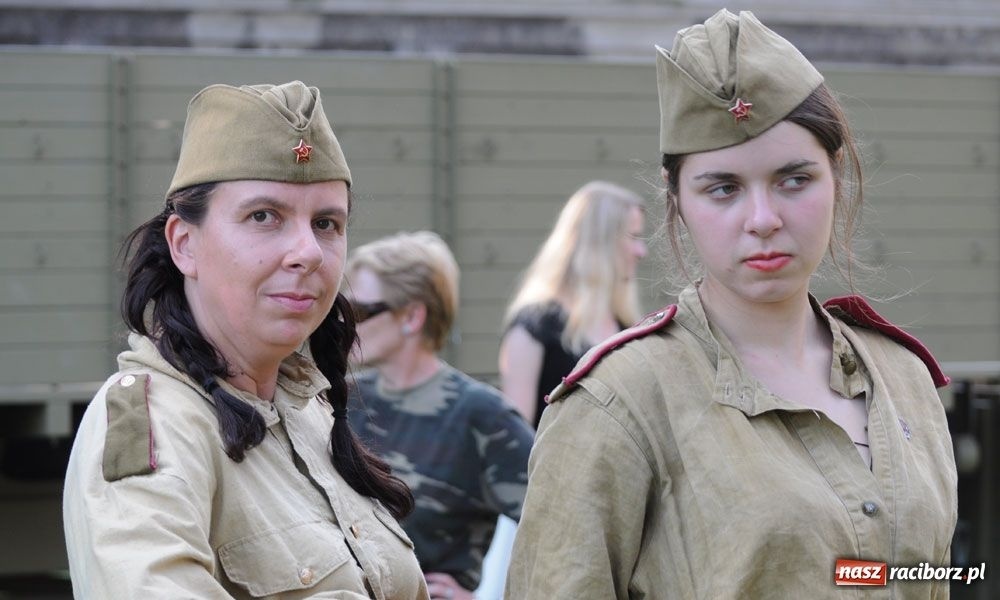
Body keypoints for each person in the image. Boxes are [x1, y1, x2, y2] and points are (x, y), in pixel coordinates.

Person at [506, 10, 957, 599]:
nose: (763, 220)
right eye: (723, 188)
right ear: (678, 203)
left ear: (835, 177)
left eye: (794, 179)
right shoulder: (622, 402)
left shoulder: (904, 379)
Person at [63, 81, 429, 599]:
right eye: (264, 216)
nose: (307, 252)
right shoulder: (155, 429)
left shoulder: (308, 412)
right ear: (184, 245)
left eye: (326, 223)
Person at [345, 231, 534, 600]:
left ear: (412, 316)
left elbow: (563, 533)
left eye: (360, 312)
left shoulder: (482, 416)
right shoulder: (338, 400)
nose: (345, 325)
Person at [499, 181, 647, 428]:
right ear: (600, 241)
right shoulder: (534, 327)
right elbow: (517, 440)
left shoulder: (627, 326)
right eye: (634, 236)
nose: (642, 251)